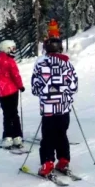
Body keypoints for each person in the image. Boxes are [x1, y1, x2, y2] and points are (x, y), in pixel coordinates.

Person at [30, 37, 78, 178]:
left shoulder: (40, 65)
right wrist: (64, 92)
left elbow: (35, 88)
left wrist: (47, 92)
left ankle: (48, 162)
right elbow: (74, 86)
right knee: (61, 134)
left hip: (48, 109)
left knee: (48, 136)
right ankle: (63, 160)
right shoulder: (67, 64)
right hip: (63, 108)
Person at [0, 40, 25, 149]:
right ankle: (16, 136)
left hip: (2, 92)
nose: (14, 51)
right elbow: (15, 75)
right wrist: (20, 86)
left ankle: (8, 137)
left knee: (7, 114)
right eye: (13, 49)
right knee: (14, 113)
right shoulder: (10, 61)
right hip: (12, 91)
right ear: (7, 49)